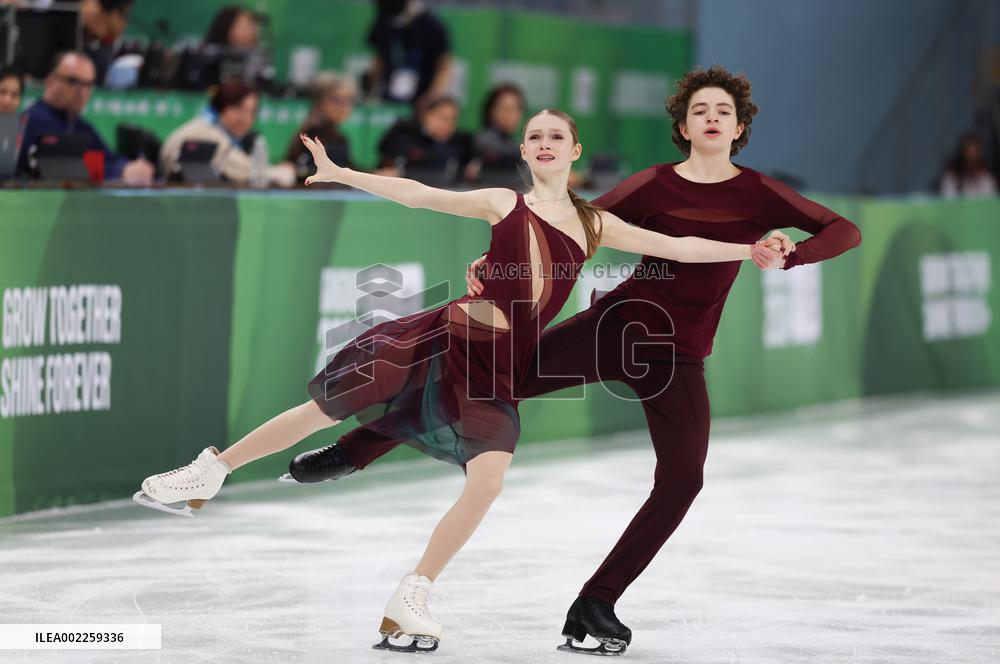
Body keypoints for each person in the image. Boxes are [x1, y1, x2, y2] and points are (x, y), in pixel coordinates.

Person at [133, 106, 787, 652]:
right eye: (535, 136)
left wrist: (748, 248)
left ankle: (411, 594)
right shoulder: (502, 202)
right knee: (321, 409)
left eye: (557, 135)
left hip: (496, 370)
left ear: (576, 150)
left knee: (489, 479)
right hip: (449, 335)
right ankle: (211, 471)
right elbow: (419, 194)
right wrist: (340, 173)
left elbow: (679, 248)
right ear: (527, 153)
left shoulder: (594, 223)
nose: (545, 143)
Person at [290, 65, 862, 655]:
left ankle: (597, 602)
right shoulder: (655, 184)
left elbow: (844, 231)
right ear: (684, 126)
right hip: (615, 329)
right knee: (487, 379)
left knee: (683, 480)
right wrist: (498, 266)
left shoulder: (759, 193)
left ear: (740, 126)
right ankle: (355, 450)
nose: (712, 118)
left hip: (679, 357)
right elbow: (565, 225)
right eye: (700, 111)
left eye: (723, 111)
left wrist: (790, 254)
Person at [16, 51, 154, 185]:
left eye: (88, 85)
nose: (81, 91)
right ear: (50, 80)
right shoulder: (32, 121)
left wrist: (131, 167)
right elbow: (64, 168)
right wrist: (119, 172)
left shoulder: (81, 126)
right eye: (73, 81)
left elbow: (108, 157)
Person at [160, 78, 295, 186]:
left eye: (251, 112)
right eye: (239, 109)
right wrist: (280, 172)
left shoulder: (217, 129)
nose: (246, 119)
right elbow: (242, 170)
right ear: (222, 106)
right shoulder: (205, 132)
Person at [365, 0, 453, 106]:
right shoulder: (384, 19)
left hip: (421, 97)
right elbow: (379, 59)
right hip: (389, 95)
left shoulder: (431, 26)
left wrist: (433, 96)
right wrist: (370, 90)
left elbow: (444, 65)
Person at [377, 95, 473, 185]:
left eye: (453, 119)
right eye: (443, 118)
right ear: (427, 115)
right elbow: (387, 165)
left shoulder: (461, 143)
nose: (448, 124)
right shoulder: (403, 134)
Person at [285, 72, 357, 181]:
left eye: (348, 100)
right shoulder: (311, 138)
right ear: (320, 103)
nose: (344, 107)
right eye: (337, 100)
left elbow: (348, 170)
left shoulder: (341, 139)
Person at [469, 82, 526, 186]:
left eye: (516, 108)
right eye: (505, 107)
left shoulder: (517, 143)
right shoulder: (481, 141)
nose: (511, 114)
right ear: (491, 111)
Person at [940, 132, 997, 198]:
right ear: (962, 153)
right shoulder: (952, 177)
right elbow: (948, 202)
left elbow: (990, 201)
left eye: (975, 153)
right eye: (968, 152)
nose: (972, 157)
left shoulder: (986, 177)